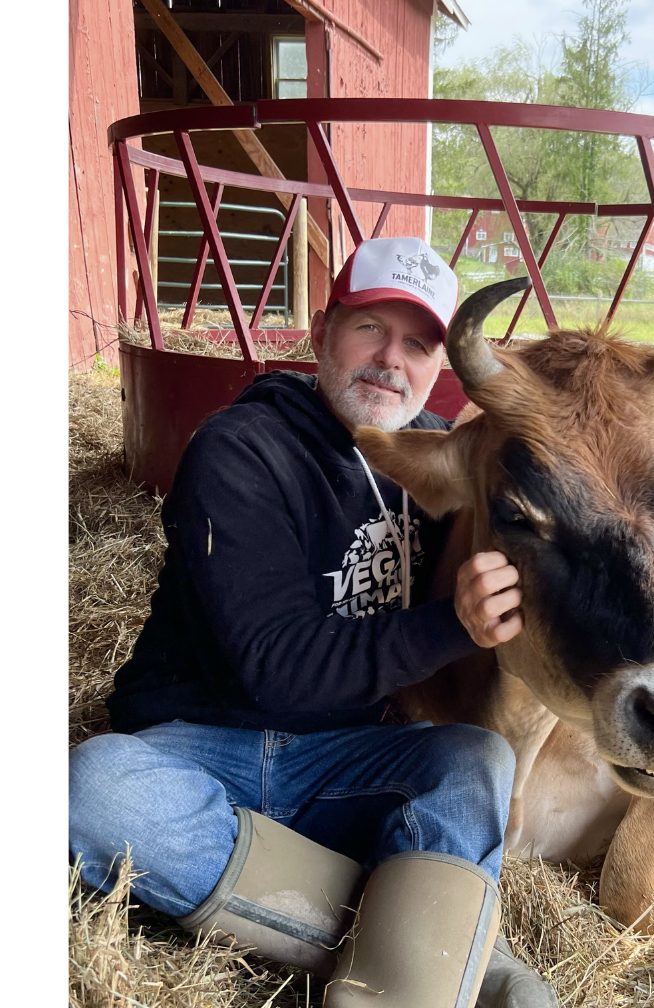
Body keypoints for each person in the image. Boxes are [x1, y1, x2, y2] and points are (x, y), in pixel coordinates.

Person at [69, 236, 553, 1008]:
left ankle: (405, 969)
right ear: (323, 331)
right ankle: (450, 957)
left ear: (438, 366)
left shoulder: (437, 457)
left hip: (347, 760)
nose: (390, 360)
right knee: (94, 789)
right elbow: (277, 668)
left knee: (474, 763)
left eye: (418, 344)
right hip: (203, 748)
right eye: (371, 329)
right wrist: (450, 625)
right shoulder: (239, 449)